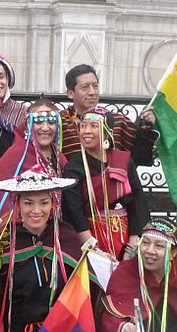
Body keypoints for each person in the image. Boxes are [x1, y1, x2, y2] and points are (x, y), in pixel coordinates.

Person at [0, 169, 81, 332]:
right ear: (18, 204)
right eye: (28, 203)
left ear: (54, 204)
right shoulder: (4, 243)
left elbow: (84, 292)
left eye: (44, 202)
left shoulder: (67, 238)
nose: (36, 210)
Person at [62, 109, 149, 258]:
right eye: (83, 126)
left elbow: (138, 202)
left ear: (107, 131)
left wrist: (133, 244)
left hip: (126, 237)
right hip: (91, 239)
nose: (86, 131)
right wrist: (94, 250)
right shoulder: (74, 167)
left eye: (93, 126)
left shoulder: (123, 161)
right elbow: (74, 212)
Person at [0, 98, 68, 227]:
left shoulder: (59, 158)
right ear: (28, 125)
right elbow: (1, 204)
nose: (45, 128)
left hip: (54, 227)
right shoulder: (16, 156)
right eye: (38, 123)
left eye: (51, 122)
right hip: (23, 231)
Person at [60, 64, 156, 166]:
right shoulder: (60, 122)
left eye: (95, 86)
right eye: (85, 87)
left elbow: (139, 158)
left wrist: (146, 129)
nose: (92, 92)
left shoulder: (117, 121)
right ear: (71, 93)